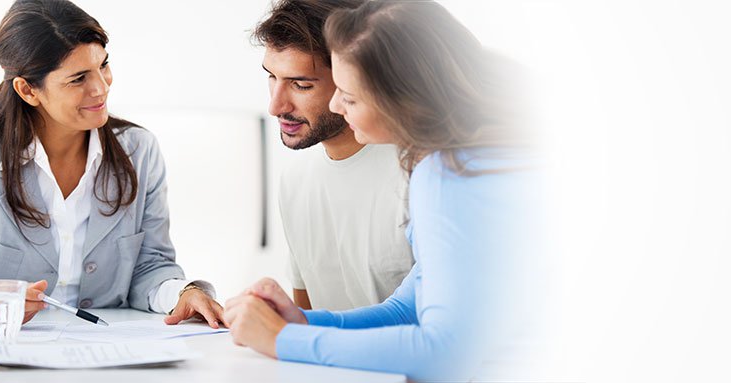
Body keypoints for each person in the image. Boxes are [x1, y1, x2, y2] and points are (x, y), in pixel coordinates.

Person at [223, 1, 535, 380]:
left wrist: (282, 341)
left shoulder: (447, 173)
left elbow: (443, 353)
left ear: (401, 98)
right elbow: (407, 308)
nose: (339, 104)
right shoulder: (454, 162)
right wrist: (302, 322)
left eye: (350, 96)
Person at [0, 0, 224, 328]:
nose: (101, 87)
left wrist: (183, 293)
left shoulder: (139, 150)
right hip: (7, 353)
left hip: (111, 348)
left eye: (103, 65)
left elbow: (150, 267)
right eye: (78, 78)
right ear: (28, 90)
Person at [254, 0, 413, 311]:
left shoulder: (418, 172)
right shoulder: (295, 181)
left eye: (301, 85)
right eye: (272, 77)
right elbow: (306, 316)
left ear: (351, 77)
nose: (276, 106)